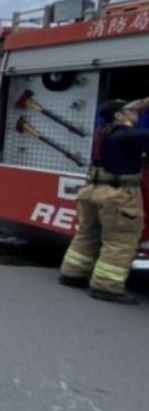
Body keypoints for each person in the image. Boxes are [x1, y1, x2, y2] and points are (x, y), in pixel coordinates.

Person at [59, 96, 149, 304]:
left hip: (93, 191)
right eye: (130, 111)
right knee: (120, 241)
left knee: (88, 234)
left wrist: (140, 106)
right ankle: (106, 287)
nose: (135, 113)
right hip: (118, 195)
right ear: (118, 115)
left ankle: (72, 273)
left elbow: (131, 118)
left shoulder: (105, 133)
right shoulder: (130, 136)